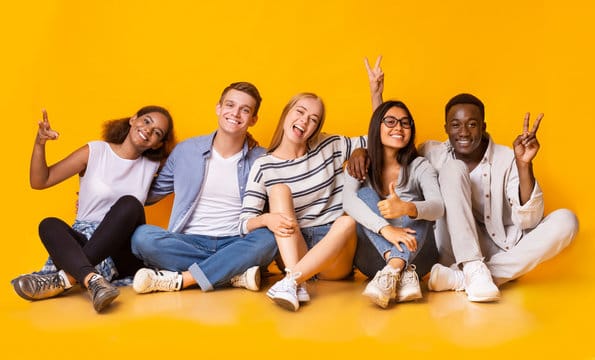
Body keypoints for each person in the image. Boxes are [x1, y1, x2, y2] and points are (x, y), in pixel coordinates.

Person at [355, 56, 579, 303]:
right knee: (453, 168)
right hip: (453, 248)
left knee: (567, 220)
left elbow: (530, 220)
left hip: (504, 245)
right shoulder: (432, 153)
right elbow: (389, 149)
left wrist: (524, 164)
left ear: (483, 126)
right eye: (456, 125)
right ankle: (472, 268)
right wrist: (363, 149)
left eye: (472, 124)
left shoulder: (507, 157)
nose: (463, 132)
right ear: (446, 128)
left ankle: (461, 279)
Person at [12, 106, 175, 312]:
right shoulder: (96, 152)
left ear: (158, 144)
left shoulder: (153, 165)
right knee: (49, 224)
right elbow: (40, 181)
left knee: (130, 204)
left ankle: (64, 279)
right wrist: (39, 143)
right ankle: (92, 279)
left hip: (123, 251)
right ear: (133, 119)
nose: (149, 131)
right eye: (147, 121)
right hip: (87, 241)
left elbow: (189, 165)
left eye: (157, 133)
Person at [130, 82, 278, 295]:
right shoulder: (186, 151)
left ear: (253, 119)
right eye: (230, 105)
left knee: (269, 239)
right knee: (142, 237)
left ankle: (184, 279)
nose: (235, 113)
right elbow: (150, 193)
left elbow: (282, 200)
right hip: (189, 241)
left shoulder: (263, 158)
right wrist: (105, 192)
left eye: (245, 110)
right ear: (219, 108)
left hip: (238, 241)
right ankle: (232, 273)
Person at [238, 92, 366, 311]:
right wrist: (267, 219)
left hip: (333, 254)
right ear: (287, 112)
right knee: (278, 190)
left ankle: (292, 282)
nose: (304, 121)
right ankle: (296, 280)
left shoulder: (330, 145)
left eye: (313, 119)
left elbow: (379, 138)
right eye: (300, 111)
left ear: (316, 128)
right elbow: (243, 223)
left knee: (347, 222)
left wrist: (361, 149)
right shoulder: (264, 166)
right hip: (295, 246)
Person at [342, 99, 444, 308]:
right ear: (376, 126)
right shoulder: (360, 164)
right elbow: (348, 202)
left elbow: (438, 207)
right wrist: (386, 229)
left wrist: (408, 208)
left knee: (418, 206)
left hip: (420, 258)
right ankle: (399, 269)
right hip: (370, 259)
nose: (398, 127)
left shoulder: (419, 166)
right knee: (363, 195)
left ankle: (392, 271)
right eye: (390, 121)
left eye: (405, 123)